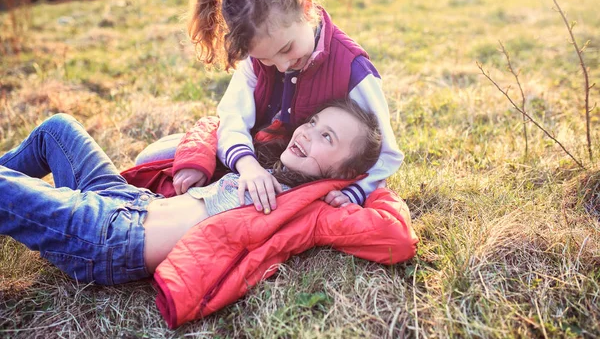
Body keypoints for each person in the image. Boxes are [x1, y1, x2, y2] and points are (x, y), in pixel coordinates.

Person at [0, 99, 382, 284]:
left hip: (112, 239)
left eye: (326, 137)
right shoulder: (263, 158)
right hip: (131, 201)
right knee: (58, 128)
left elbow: (393, 237)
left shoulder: (311, 208)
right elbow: (216, 124)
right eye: (313, 122)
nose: (306, 133)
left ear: (346, 171)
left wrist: (354, 192)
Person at [135, 0, 404, 214]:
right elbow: (232, 119)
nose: (283, 66)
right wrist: (248, 166)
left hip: (298, 165)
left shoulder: (354, 69)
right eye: (266, 58)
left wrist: (355, 192)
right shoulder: (256, 61)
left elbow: (387, 153)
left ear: (306, 9)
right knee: (148, 161)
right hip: (254, 154)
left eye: (287, 48)